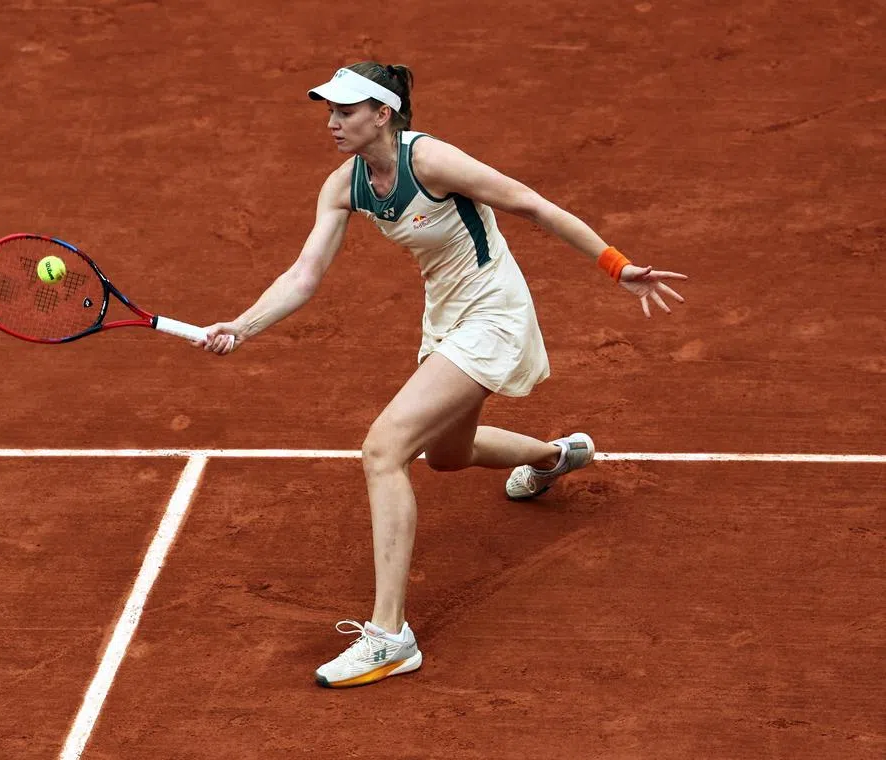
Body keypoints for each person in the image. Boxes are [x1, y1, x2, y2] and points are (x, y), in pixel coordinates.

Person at [200, 61, 687, 688]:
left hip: (494, 315)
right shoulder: (343, 186)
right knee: (447, 456)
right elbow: (304, 274)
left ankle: (389, 637)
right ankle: (555, 456)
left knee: (384, 450)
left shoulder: (430, 161)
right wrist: (242, 326)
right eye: (329, 111)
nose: (332, 122)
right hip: (445, 319)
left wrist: (618, 267)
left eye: (346, 111)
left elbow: (529, 204)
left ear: (383, 113)